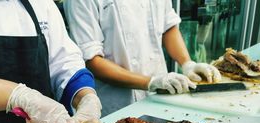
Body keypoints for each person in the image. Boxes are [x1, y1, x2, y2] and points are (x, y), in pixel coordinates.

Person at [63, 0, 222, 116]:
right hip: (118, 106)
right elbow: (92, 61)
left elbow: (168, 27)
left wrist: (187, 63)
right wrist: (151, 82)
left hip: (162, 96)